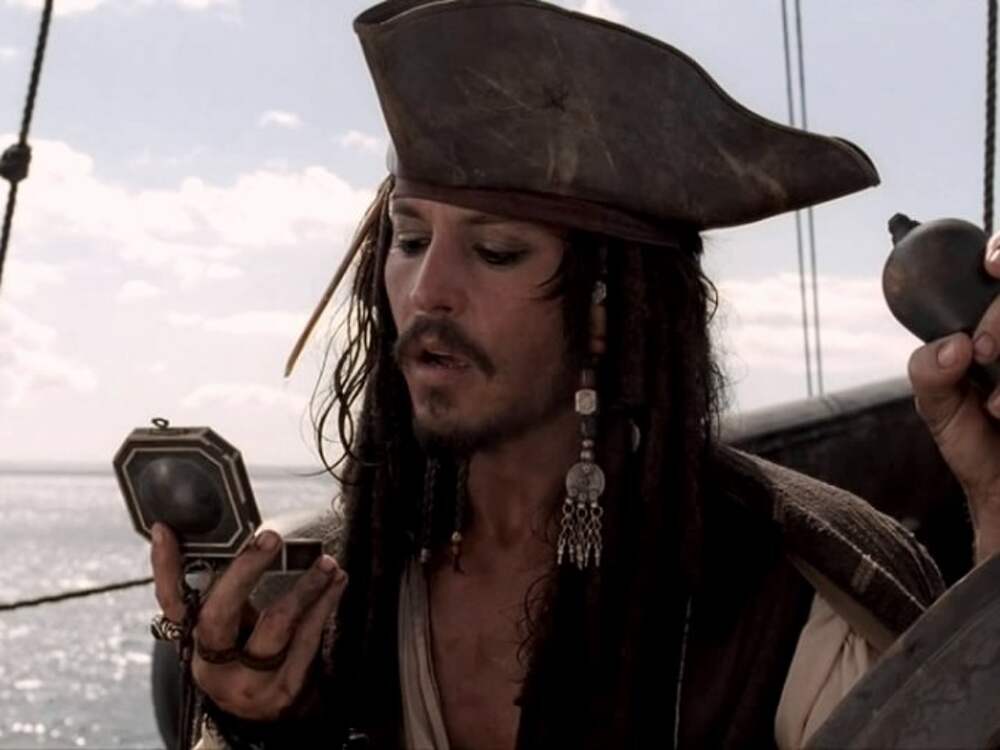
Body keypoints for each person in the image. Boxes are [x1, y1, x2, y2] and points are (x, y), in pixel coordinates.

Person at [149, 2, 1000, 748]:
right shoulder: (350, 593)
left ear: (606, 313)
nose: (427, 290)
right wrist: (268, 727)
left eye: (495, 251)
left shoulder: (790, 601)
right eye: (409, 240)